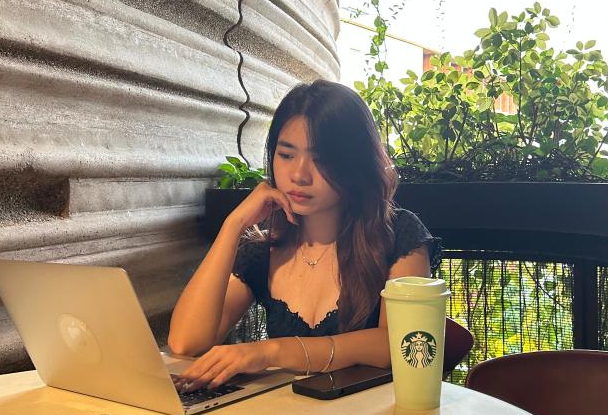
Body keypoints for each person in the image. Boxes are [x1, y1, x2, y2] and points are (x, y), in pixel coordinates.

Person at [168, 79, 441, 393]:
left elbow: (395, 342)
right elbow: (185, 342)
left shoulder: (400, 235)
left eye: (321, 159)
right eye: (286, 155)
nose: (299, 174)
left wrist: (271, 351)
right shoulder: (265, 253)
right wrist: (233, 225)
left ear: (356, 163)